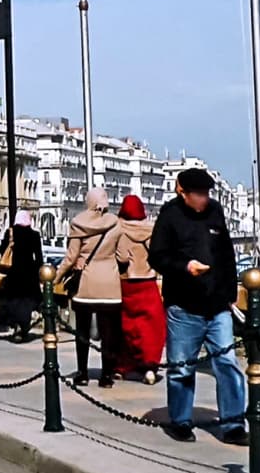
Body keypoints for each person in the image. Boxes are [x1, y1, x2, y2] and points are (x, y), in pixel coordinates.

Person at [150, 168, 247, 445]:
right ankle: (180, 420)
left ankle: (233, 423)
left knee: (227, 363)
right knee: (181, 366)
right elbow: (157, 256)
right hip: (184, 306)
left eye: (206, 193)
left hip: (217, 304)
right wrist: (185, 267)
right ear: (183, 192)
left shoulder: (215, 211)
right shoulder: (170, 216)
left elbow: (226, 253)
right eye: (198, 194)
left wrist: (230, 291)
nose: (203, 199)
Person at [65, 188, 124, 387]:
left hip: (85, 284)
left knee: (81, 331)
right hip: (110, 285)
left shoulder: (78, 223)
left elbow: (71, 257)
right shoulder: (116, 223)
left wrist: (55, 278)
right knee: (109, 333)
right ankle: (106, 376)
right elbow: (123, 256)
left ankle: (82, 373)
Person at [115, 194, 164, 383]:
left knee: (125, 326)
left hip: (126, 282)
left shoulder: (118, 228)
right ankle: (150, 365)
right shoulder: (152, 229)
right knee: (151, 326)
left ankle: (123, 365)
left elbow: (121, 259)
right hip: (147, 282)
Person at [0, 211, 44, 343]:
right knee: (26, 302)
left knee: (14, 301)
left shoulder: (10, 233)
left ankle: (15, 326)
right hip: (29, 273)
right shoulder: (34, 235)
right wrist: (40, 272)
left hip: (13, 273)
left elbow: (1, 250)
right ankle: (23, 327)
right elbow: (39, 257)